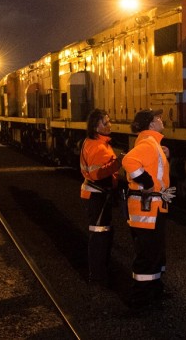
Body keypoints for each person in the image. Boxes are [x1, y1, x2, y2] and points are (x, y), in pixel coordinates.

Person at [121, 108, 176, 308]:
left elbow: (152, 165)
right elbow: (128, 160)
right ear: (151, 124)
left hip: (154, 208)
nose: (162, 120)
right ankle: (139, 300)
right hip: (147, 210)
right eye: (158, 118)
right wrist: (147, 182)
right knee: (147, 253)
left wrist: (164, 154)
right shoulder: (148, 143)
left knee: (155, 252)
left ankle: (154, 291)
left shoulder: (152, 143)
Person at [79, 108, 122, 287]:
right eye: (106, 122)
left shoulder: (97, 142)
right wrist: (118, 163)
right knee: (99, 236)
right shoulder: (97, 146)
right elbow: (97, 174)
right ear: (97, 126)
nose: (109, 124)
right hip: (97, 196)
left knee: (103, 234)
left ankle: (99, 272)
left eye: (109, 120)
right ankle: (97, 276)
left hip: (98, 195)